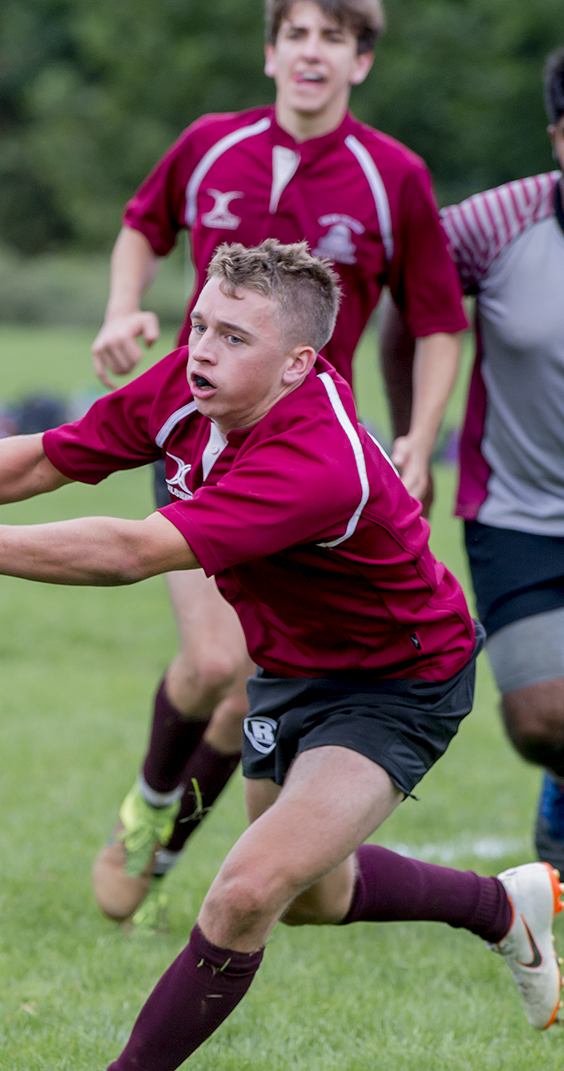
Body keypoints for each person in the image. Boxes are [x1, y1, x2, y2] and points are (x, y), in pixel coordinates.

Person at [0, 238, 561, 1066]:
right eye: (201, 323)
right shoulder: (189, 385)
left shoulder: (317, 461)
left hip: (397, 679)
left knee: (244, 893)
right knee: (312, 896)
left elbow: (128, 551)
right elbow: (52, 456)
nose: (202, 349)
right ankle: (501, 907)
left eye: (235, 337)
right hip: (289, 665)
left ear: (299, 363)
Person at [84, 0, 467, 931]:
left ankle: (175, 838)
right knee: (213, 658)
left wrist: (419, 433)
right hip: (201, 441)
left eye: (334, 37)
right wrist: (122, 308)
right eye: (296, 32)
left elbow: (438, 319)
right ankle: (151, 808)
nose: (312, 51)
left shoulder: (393, 177)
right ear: (270, 52)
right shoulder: (212, 146)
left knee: (256, 668)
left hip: (308, 470)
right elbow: (143, 226)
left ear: (359, 63)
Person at [380, 48, 564, 875]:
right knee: (540, 718)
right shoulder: (493, 224)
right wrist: (409, 431)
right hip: (517, 510)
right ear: (558, 138)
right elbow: (411, 305)